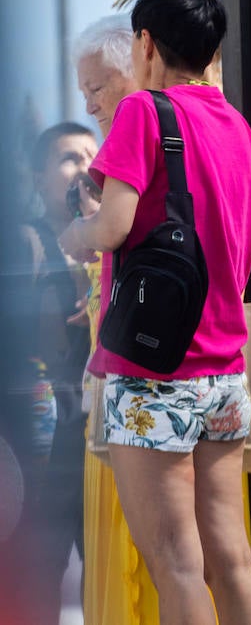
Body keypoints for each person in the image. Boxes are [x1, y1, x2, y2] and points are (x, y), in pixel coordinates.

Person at [59, 0, 251, 625]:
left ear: (146, 45)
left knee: (176, 563)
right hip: (224, 374)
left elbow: (115, 224)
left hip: (153, 373)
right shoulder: (236, 123)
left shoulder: (143, 114)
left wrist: (76, 236)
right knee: (231, 557)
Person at [72, 14, 159, 624]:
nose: (90, 105)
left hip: (145, 377)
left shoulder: (145, 138)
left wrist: (83, 230)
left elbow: (111, 237)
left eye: (97, 88)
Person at [18, 121, 98, 623]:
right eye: (70, 158)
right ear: (36, 177)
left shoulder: (106, 235)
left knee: (101, 554)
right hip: (44, 426)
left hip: (92, 420)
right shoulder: (28, 240)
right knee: (40, 564)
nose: (86, 167)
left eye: (93, 155)